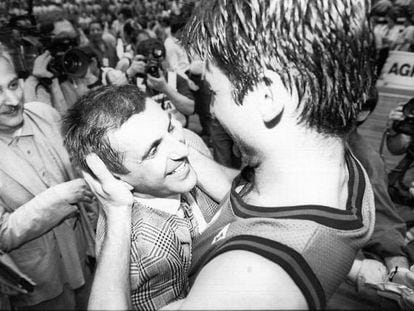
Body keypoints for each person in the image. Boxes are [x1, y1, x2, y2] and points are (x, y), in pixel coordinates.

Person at [86, 0, 376, 309]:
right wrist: (166, 138)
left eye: (215, 91)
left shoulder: (245, 284)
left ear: (267, 95)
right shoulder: (333, 164)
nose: (211, 108)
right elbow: (239, 196)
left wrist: (116, 214)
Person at [62, 84, 224, 310]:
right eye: (153, 150)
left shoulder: (187, 144)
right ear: (115, 178)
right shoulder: (146, 253)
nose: (182, 150)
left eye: (169, 128)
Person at [0, 44, 95, 309]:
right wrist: (57, 198)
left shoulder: (45, 114)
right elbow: (3, 233)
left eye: (13, 85)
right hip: (40, 287)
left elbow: (80, 178)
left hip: (83, 263)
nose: (13, 100)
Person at [127, 38, 195, 126]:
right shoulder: (135, 83)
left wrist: (165, 88)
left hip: (178, 134)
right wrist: (129, 73)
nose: (153, 66)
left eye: (156, 61)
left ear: (164, 59)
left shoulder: (175, 78)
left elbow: (190, 109)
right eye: (148, 61)